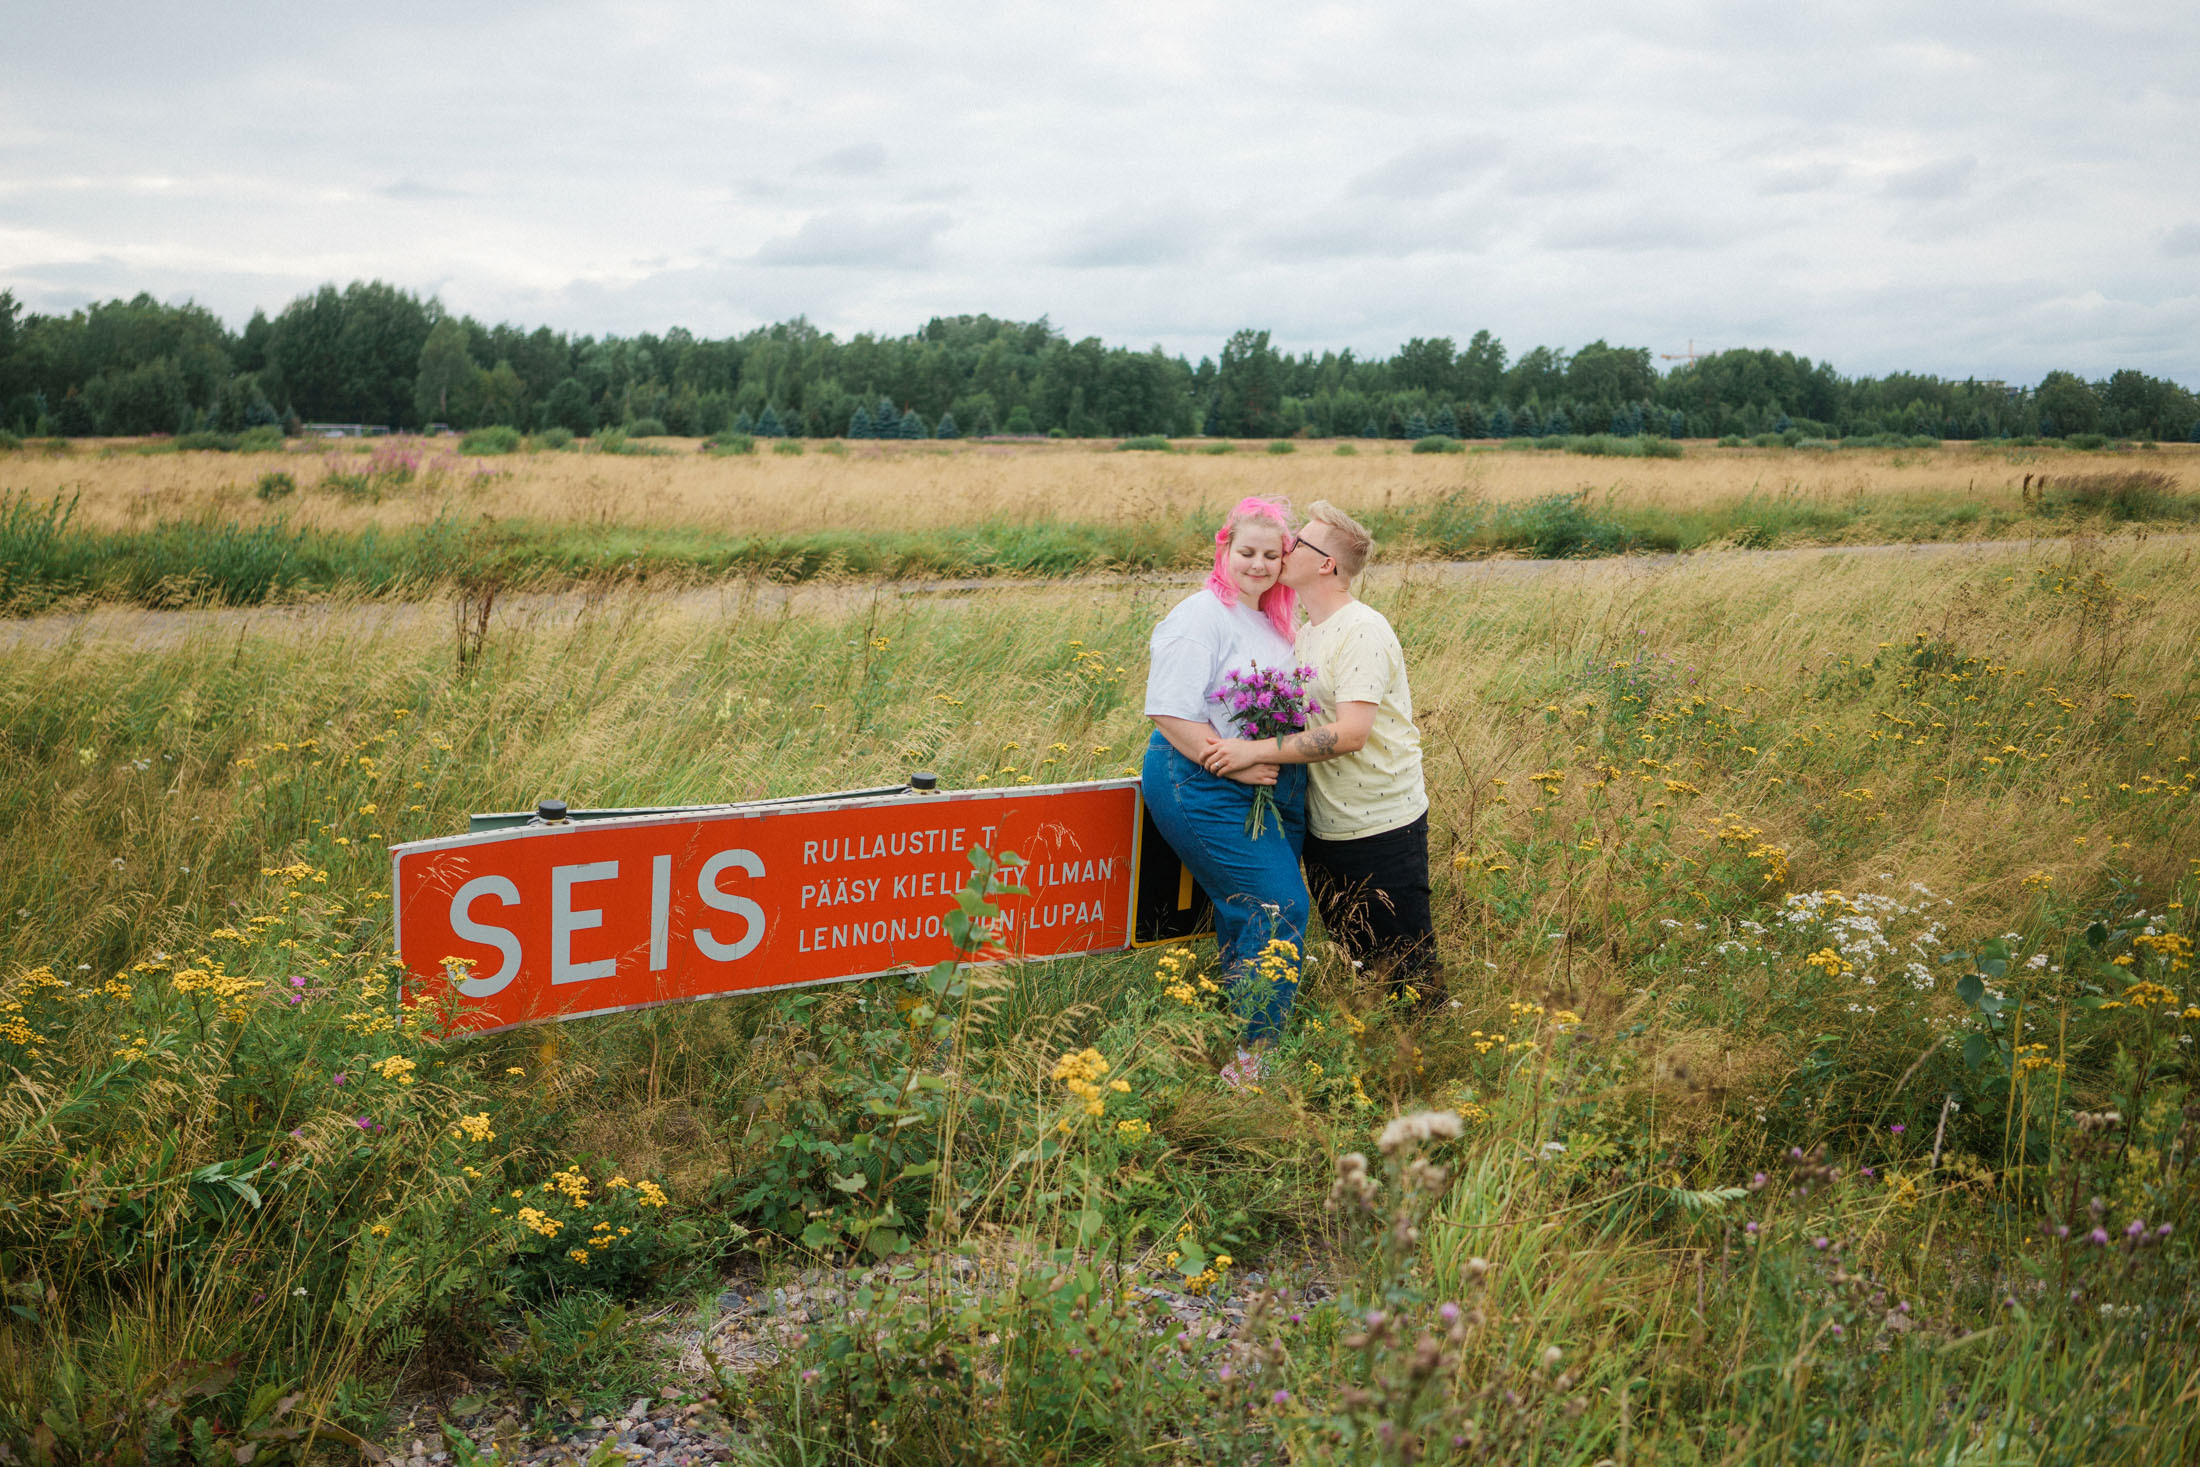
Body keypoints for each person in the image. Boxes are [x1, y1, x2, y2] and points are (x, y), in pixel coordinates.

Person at [1202, 500, 1441, 1011]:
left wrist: (1251, 751)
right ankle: (1377, 1045)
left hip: (1380, 825)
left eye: (1296, 543)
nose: (1284, 548)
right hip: (1326, 825)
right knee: (1363, 963)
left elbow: (1351, 733)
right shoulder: (1308, 632)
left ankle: (1430, 1052)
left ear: (1326, 563)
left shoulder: (1362, 630)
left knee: (1408, 976)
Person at [1142, 496, 1310, 1069]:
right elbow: (1169, 710)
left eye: (1271, 555)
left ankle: (1232, 1037)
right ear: (1224, 549)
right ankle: (1253, 1060)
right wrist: (1234, 763)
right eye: (1247, 552)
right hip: (1201, 778)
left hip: (1269, 785)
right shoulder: (1200, 616)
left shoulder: (1274, 619)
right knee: (1278, 906)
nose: (1258, 565)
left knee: (1251, 914)